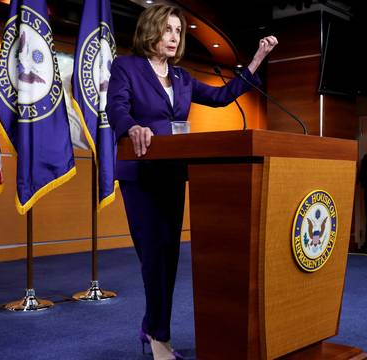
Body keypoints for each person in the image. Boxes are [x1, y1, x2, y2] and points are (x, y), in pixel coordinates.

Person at [105, 4, 277, 359]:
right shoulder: (127, 66)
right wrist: (132, 127)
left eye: (178, 31)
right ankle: (158, 336)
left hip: (173, 174)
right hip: (141, 174)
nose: (173, 37)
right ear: (150, 30)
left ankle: (151, 328)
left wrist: (258, 57)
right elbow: (117, 108)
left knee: (168, 256)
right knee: (152, 255)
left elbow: (221, 96)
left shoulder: (182, 78)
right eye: (167, 29)